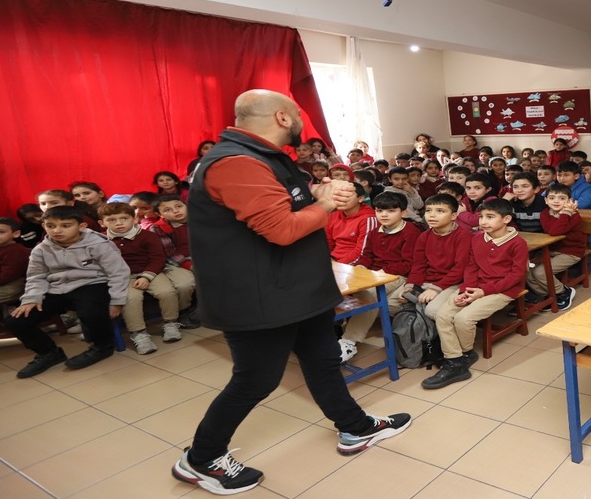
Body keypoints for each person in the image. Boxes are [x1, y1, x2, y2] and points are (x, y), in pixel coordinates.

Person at [173, 90, 410, 495]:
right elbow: (281, 230)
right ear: (283, 117)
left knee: (322, 361)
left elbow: (284, 207)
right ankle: (201, 459)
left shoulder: (266, 156)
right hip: (261, 296)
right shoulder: (236, 162)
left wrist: (316, 197)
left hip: (297, 289)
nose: (302, 121)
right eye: (298, 114)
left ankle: (355, 428)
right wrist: (326, 206)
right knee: (256, 379)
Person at [6, 205, 130, 377]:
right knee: (16, 321)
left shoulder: (99, 244)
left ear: (81, 226)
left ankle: (103, 346)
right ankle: (49, 353)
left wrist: (117, 301)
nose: (57, 230)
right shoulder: (41, 249)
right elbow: (36, 276)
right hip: (56, 288)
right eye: (50, 226)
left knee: (91, 312)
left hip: (91, 283)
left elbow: (118, 273)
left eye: (65, 225)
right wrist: (32, 298)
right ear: (43, 226)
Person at [421, 199, 528, 389]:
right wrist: (465, 290)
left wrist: (483, 292)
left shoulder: (518, 243)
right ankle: (455, 360)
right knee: (443, 315)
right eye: (481, 217)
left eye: (490, 217)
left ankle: (463, 354)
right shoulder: (477, 238)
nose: (483, 221)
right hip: (475, 286)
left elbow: (516, 276)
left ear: (506, 219)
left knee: (463, 319)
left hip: (503, 290)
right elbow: (471, 267)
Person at [99, 202, 187, 353]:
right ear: (102, 223)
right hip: (123, 277)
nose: (119, 223)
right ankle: (139, 333)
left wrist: (146, 277)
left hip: (150, 271)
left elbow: (157, 259)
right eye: (111, 220)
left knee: (166, 292)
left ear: (134, 219)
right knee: (130, 298)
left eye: (124, 218)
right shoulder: (101, 240)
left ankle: (170, 323)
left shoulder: (148, 236)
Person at [341, 191, 419, 357]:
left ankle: (349, 341)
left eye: (391, 211)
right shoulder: (375, 231)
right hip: (374, 274)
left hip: (396, 275)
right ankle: (334, 331)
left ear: (403, 212)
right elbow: (367, 255)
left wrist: (381, 272)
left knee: (369, 294)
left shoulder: (410, 232)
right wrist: (361, 266)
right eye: (379, 210)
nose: (384, 215)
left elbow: (408, 263)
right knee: (343, 287)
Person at [525, 183, 584, 310]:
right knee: (528, 273)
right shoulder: (545, 213)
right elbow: (550, 229)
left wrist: (566, 212)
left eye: (562, 198)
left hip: (571, 252)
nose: (556, 201)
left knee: (540, 273)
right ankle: (550, 295)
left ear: (569, 201)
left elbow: (555, 232)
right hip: (551, 250)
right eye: (552, 198)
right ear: (546, 200)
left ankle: (563, 292)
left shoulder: (573, 215)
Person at [325, 183, 378, 265]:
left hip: (356, 265)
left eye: (346, 196)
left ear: (360, 198)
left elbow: (363, 252)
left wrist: (337, 266)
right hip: (333, 261)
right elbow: (328, 244)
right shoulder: (333, 216)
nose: (341, 199)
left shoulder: (368, 218)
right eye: (338, 195)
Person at [0, 217, 31, 315]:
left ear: (15, 234)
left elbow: (7, 276)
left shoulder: (15, 251)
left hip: (11, 285)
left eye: (1, 232)